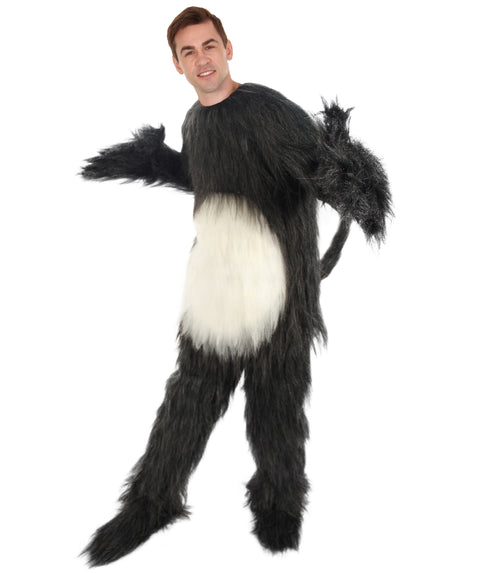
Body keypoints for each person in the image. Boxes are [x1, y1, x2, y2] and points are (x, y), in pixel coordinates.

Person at [81, 6, 392, 567]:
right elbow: (204, 175)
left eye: (209, 46)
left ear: (228, 48)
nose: (202, 59)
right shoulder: (194, 121)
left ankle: (280, 506)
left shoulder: (268, 111)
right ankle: (150, 504)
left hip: (281, 297)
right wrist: (153, 161)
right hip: (216, 289)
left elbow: (327, 176)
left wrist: (351, 173)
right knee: (188, 400)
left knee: (276, 408)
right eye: (188, 52)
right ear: (176, 65)